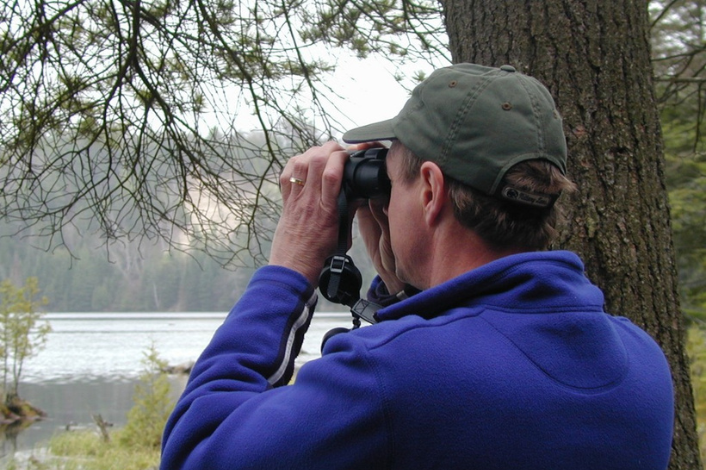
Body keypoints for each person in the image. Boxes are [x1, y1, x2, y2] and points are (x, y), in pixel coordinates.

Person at [160, 63, 674, 469]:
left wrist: (289, 268)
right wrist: (403, 289)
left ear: (430, 189)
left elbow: (196, 453)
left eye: (390, 181)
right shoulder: (642, 360)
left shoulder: (389, 376)